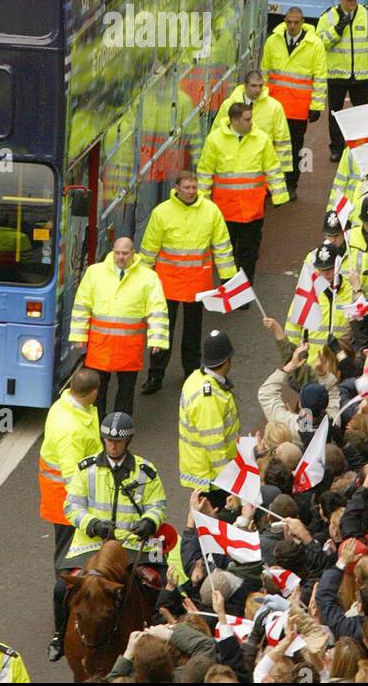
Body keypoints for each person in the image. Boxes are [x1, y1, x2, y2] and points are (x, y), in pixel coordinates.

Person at [49, 411, 167, 661]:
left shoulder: (146, 471)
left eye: (118, 441)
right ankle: (59, 636)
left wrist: (149, 522)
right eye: (108, 440)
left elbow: (158, 505)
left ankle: (156, 629)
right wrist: (92, 525)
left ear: (128, 441)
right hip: (92, 545)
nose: (112, 446)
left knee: (158, 581)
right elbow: (72, 506)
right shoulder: (86, 468)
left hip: (133, 543)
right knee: (61, 588)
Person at [139, 170, 237, 396]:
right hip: (167, 283)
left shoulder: (210, 211)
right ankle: (155, 374)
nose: (191, 191)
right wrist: (143, 281)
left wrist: (228, 276)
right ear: (176, 188)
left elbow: (222, 245)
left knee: (193, 333)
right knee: (162, 331)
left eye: (194, 187)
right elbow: (149, 248)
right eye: (187, 188)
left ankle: (191, 372)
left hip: (196, 283)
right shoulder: (161, 213)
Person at [69, 236, 169, 418]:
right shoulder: (94, 273)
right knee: (98, 389)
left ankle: (120, 426)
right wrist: (78, 336)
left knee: (126, 390)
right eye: (117, 253)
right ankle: (97, 423)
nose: (121, 257)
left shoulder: (148, 277)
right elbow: (82, 306)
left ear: (133, 253)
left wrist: (158, 339)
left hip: (127, 347)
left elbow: (157, 310)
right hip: (101, 345)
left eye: (125, 253)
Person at [197, 101, 289, 281]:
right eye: (247, 119)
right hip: (225, 210)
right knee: (226, 252)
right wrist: (204, 201)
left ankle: (245, 288)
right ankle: (229, 285)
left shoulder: (261, 139)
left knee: (249, 253)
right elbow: (205, 171)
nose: (251, 122)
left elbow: (272, 168)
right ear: (234, 121)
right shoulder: (215, 140)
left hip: (252, 209)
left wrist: (279, 196)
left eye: (251, 118)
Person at [38, 365, 101, 564]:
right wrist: (84, 505)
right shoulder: (71, 431)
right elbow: (71, 476)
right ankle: (63, 583)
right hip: (64, 497)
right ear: (93, 393)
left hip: (59, 491)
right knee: (67, 550)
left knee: (70, 546)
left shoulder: (64, 405)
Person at [261, 7, 327, 197]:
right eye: (289, 22)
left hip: (298, 108)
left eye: (296, 22)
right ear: (284, 21)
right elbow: (265, 71)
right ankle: (272, 185)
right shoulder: (273, 41)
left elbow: (320, 77)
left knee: (295, 148)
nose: (292, 26)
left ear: (302, 22)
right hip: (274, 105)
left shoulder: (314, 45)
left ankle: (291, 184)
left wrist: (316, 106)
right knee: (271, 146)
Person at [316, 0, 368, 162]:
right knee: (336, 114)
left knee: (362, 114)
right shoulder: (327, 18)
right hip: (336, 75)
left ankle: (360, 146)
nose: (352, 2)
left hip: (362, 75)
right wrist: (337, 29)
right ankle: (337, 148)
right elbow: (320, 44)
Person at [178, 329, 240, 489]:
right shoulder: (209, 397)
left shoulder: (195, 378)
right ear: (227, 361)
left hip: (201, 469)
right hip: (211, 477)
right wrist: (228, 479)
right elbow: (213, 442)